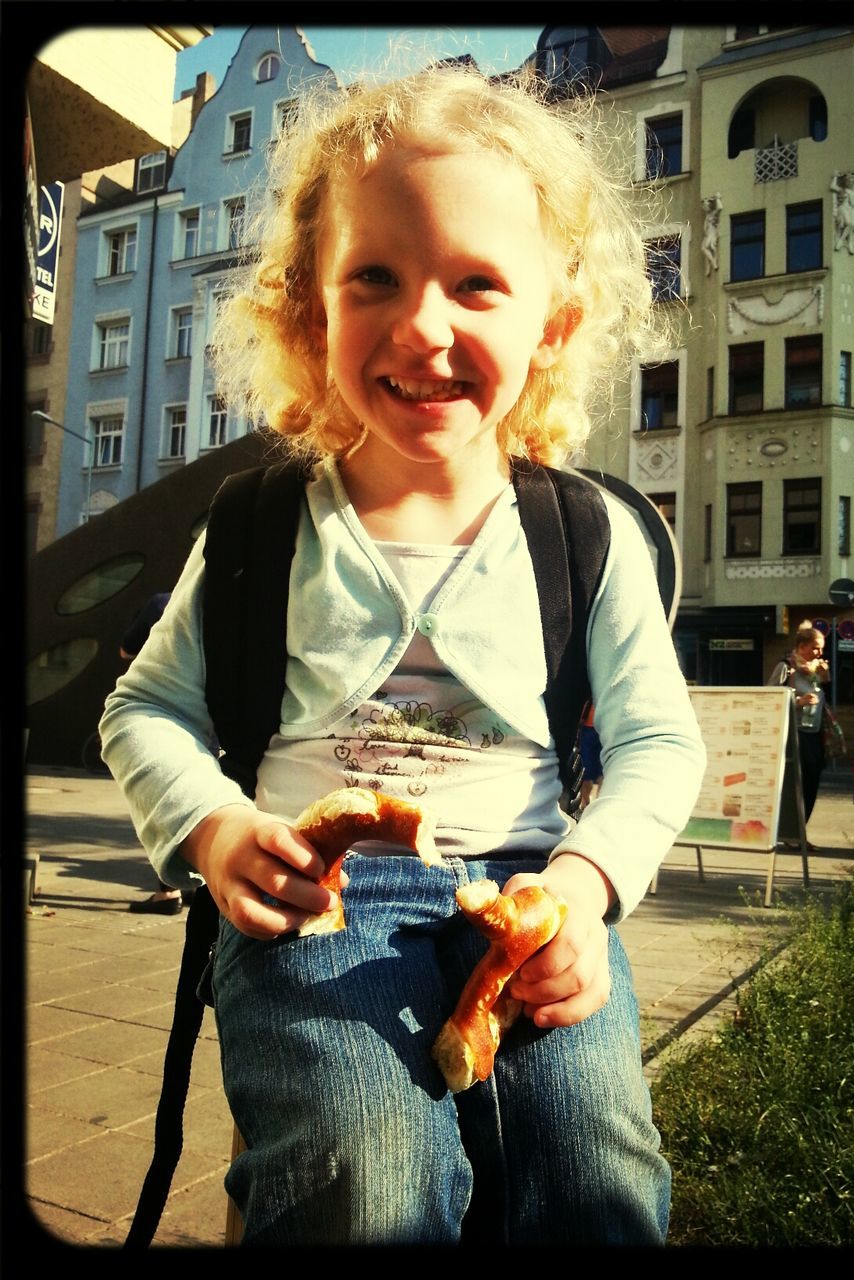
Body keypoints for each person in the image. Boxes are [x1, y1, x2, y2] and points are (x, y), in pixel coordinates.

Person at [99, 65, 706, 1246]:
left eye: (478, 285)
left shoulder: (584, 531)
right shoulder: (259, 527)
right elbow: (145, 710)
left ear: (552, 326)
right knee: (364, 1174)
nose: (424, 324)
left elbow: (655, 740)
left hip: (532, 881)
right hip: (314, 911)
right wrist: (217, 833)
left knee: (597, 1174)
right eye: (375, 277)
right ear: (309, 313)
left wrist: (582, 892)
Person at [119, 592, 185, 915]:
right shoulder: (226, 596)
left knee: (162, 805)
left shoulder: (160, 603)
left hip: (164, 716)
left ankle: (168, 892)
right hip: (215, 725)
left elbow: (125, 649)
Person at [768, 621, 830, 831]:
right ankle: (789, 831)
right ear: (801, 646)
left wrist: (824, 678)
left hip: (814, 734)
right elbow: (770, 698)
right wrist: (798, 702)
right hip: (795, 735)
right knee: (796, 786)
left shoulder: (815, 671)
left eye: (821, 647)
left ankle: (799, 832)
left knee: (812, 784)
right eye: (815, 647)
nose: (820, 652)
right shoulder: (786, 667)